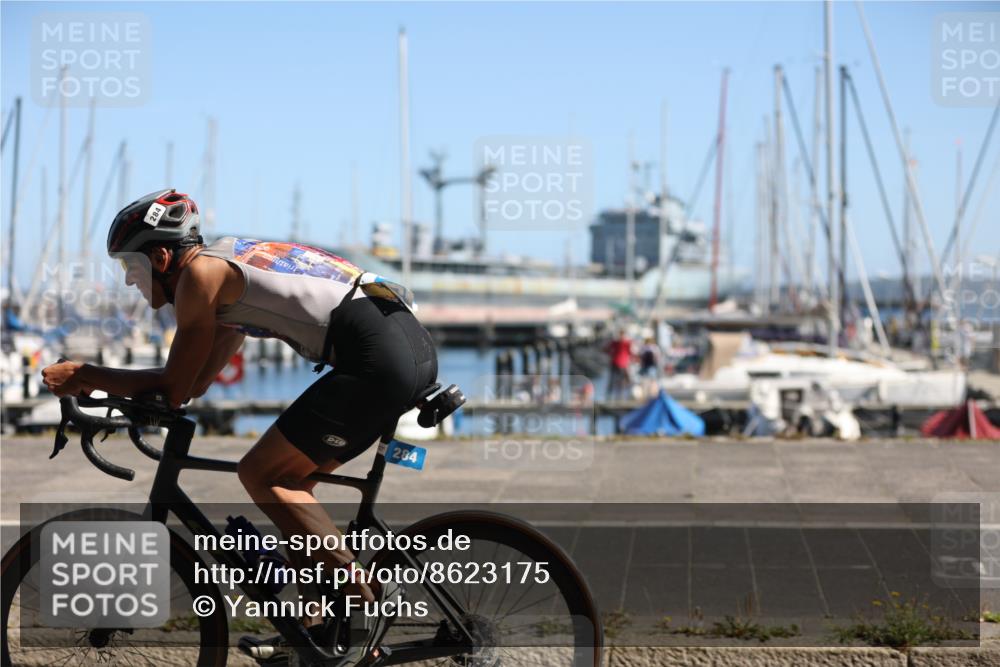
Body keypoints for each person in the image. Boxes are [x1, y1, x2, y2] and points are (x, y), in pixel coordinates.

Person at [41, 189, 437, 663]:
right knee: (290, 489)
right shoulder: (224, 270)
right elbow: (192, 386)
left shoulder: (200, 277)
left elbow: (172, 385)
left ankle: (365, 601)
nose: (130, 281)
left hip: (378, 356)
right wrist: (137, 391)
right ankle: (310, 634)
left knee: (261, 474)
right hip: (403, 343)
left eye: (132, 266)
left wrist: (86, 376)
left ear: (162, 256)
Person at [604, 329, 633, 400]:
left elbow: (605, 349)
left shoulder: (617, 342)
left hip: (617, 363)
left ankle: (612, 396)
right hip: (620, 364)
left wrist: (611, 354)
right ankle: (616, 396)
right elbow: (631, 352)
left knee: (614, 380)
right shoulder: (626, 343)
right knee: (620, 380)